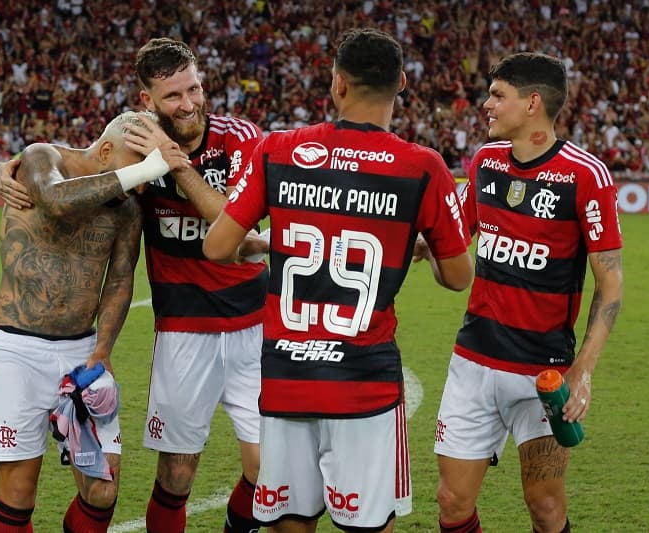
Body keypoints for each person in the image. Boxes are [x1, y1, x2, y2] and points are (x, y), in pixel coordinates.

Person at [202, 28, 474, 533]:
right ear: (402, 85)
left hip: (287, 377)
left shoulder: (278, 149)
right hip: (364, 383)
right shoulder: (423, 166)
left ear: (337, 84)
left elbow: (217, 247)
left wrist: (267, 242)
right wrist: (419, 246)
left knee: (290, 522)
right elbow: (458, 277)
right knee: (369, 526)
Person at [0, 37, 268, 533]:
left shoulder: (235, 138)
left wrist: (173, 166)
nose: (188, 104)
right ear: (147, 100)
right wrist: (4, 168)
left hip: (255, 319)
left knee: (272, 471)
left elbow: (234, 236)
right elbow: (70, 177)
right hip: (183, 326)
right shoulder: (136, 155)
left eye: (195, 89)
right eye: (173, 96)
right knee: (176, 474)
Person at [433, 52, 624, 533]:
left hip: (543, 376)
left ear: (532, 102)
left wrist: (581, 370)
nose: (486, 104)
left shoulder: (585, 176)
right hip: (473, 362)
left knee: (544, 508)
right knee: (452, 503)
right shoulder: (486, 162)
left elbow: (611, 284)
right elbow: (449, 237)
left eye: (498, 95)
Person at [0, 110, 186, 532]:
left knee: (103, 489)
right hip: (16, 350)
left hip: (82, 350)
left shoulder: (129, 207)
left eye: (151, 172)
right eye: (140, 167)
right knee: (18, 495)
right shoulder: (42, 158)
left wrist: (102, 350)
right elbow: (56, 201)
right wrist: (140, 171)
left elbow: (120, 279)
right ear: (106, 149)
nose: (144, 182)